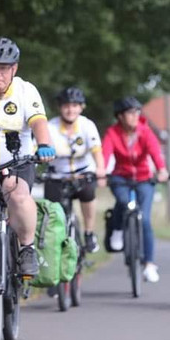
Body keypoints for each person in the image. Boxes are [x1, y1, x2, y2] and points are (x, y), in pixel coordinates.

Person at [0, 37, 55, 329]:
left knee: (17, 194)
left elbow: (39, 123)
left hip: (16, 164)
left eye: (4, 68)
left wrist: (44, 144)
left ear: (14, 69)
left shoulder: (26, 91)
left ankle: (27, 248)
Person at [101, 96, 170, 283]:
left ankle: (149, 264)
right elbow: (105, 154)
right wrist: (101, 172)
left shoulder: (145, 132)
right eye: (130, 113)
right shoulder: (112, 133)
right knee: (123, 202)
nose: (134, 116)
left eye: (136, 112)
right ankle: (116, 229)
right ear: (120, 116)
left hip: (144, 178)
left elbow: (155, 152)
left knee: (145, 219)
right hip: (120, 177)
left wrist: (162, 170)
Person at [44, 87, 106, 253]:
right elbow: (38, 150)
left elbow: (96, 151)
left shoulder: (87, 125)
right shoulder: (50, 127)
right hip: (57, 176)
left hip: (83, 173)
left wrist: (100, 170)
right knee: (52, 210)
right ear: (60, 107)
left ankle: (89, 233)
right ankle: (54, 244)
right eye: (66, 105)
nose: (70, 110)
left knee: (88, 194)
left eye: (74, 105)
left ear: (81, 107)